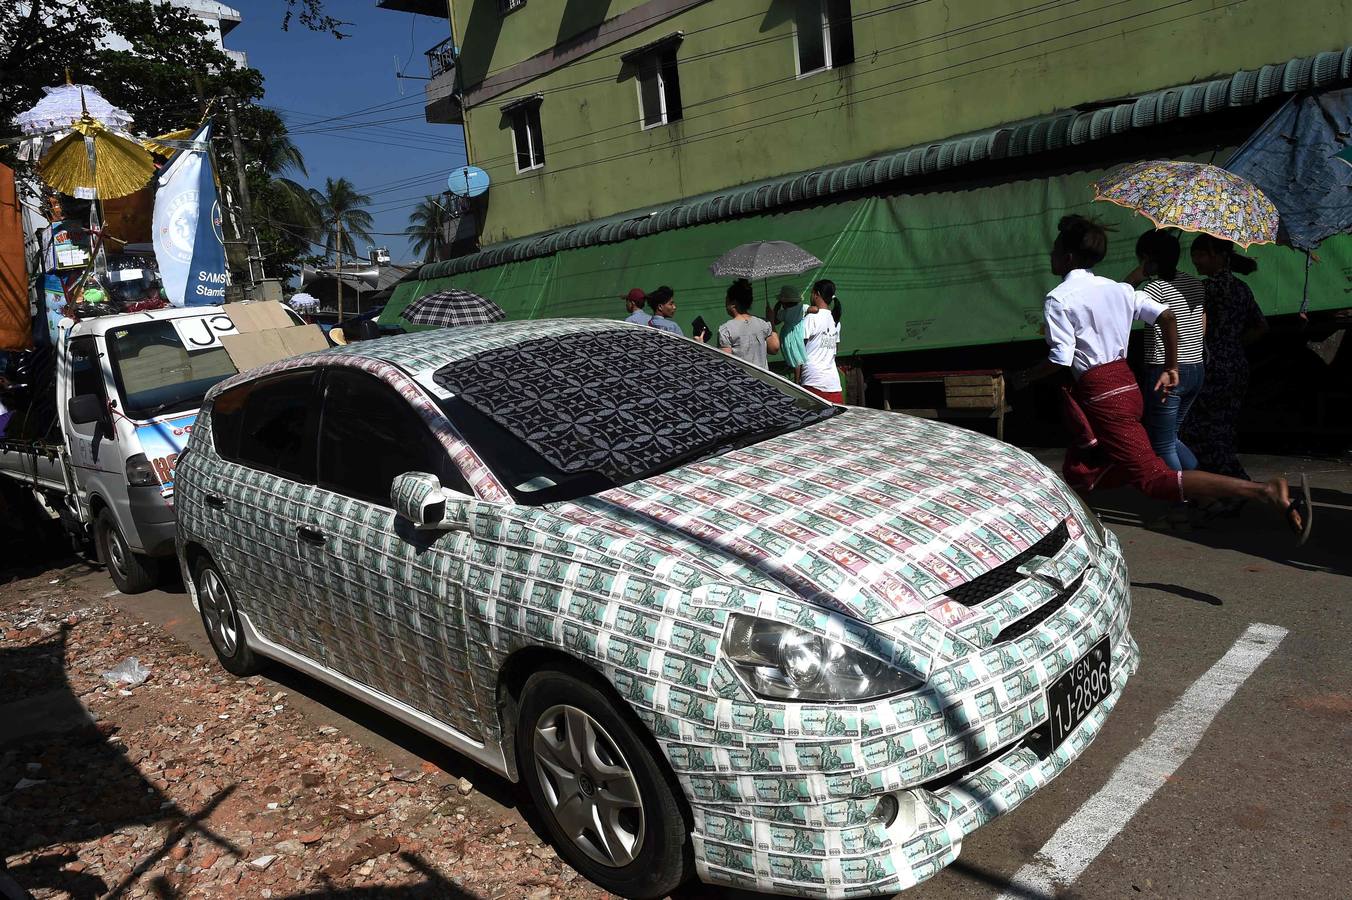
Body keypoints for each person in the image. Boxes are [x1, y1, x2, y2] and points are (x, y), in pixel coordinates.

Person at [1011, 215, 1310, 543]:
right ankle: (1080, 534)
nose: (1051, 257)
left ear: (1067, 257)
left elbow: (1060, 358)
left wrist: (1026, 375)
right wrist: (1172, 366)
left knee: (1153, 477)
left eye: (1054, 251)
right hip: (1127, 385)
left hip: (1103, 395)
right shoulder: (1120, 290)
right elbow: (1167, 316)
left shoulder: (1060, 298)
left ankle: (1261, 491)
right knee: (1081, 467)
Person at [1179, 234, 1268, 483]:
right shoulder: (1241, 288)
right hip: (1236, 364)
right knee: (1223, 429)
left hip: (1211, 367)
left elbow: (1192, 328)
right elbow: (1261, 326)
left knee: (1199, 431)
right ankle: (1228, 487)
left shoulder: (1206, 289)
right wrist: (1233, 344)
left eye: (1201, 254)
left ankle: (1233, 485)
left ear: (1219, 256)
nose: (1195, 260)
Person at [1128, 230, 1206, 472]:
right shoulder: (1195, 284)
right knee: (1171, 437)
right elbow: (1202, 325)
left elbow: (1117, 301)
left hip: (1167, 369)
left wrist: (1135, 276)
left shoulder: (1154, 289)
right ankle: (1204, 491)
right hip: (1195, 368)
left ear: (1148, 259)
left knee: (1162, 444)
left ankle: (1182, 500)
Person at [718, 279, 779, 369]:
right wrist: (771, 320)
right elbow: (774, 348)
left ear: (733, 304)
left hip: (742, 381)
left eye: (727, 300)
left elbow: (725, 364)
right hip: (762, 381)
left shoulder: (726, 330)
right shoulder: (763, 323)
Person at [800, 279, 844, 403]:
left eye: (811, 293)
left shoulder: (811, 318)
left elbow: (799, 352)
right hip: (833, 384)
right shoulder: (835, 320)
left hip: (812, 381)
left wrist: (797, 380)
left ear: (816, 294)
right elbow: (835, 351)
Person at [768, 285, 807, 381]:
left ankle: (796, 379)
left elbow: (776, 321)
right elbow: (814, 309)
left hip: (787, 336)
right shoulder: (802, 308)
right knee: (799, 357)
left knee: (793, 356)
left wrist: (775, 308)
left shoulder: (784, 313)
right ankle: (799, 380)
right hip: (798, 334)